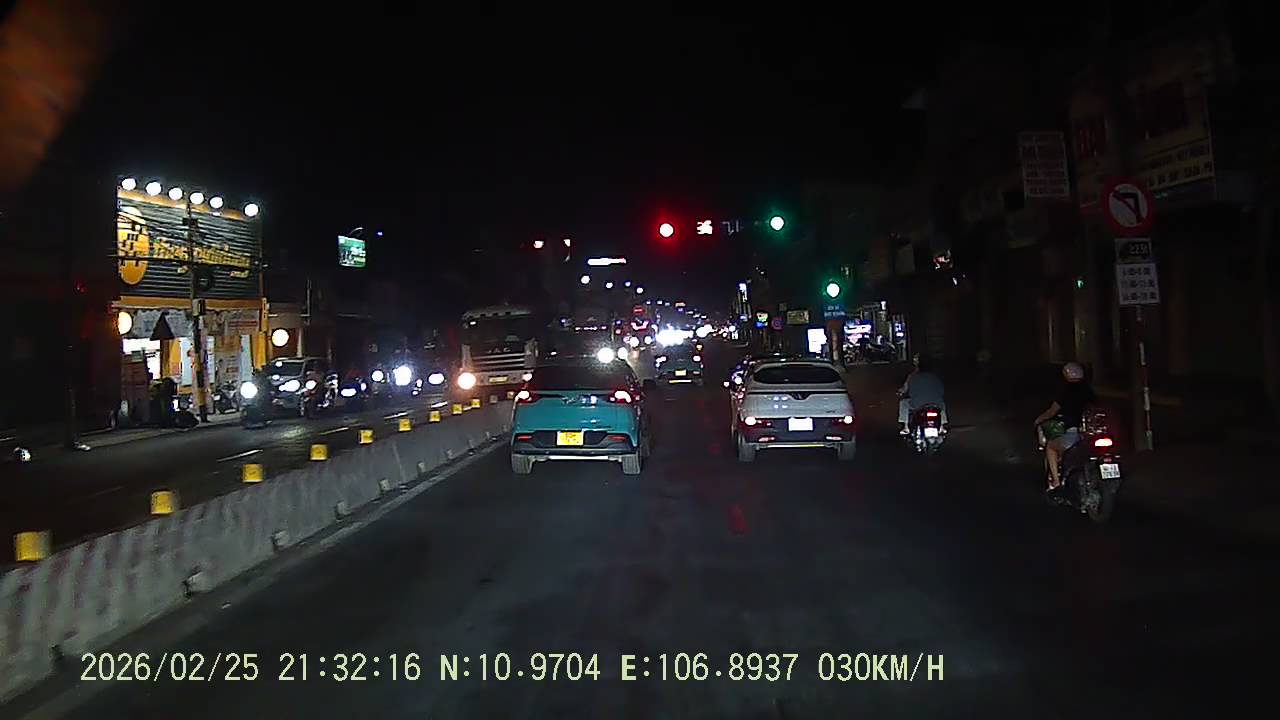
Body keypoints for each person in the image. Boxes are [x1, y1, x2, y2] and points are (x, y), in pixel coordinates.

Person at [1034, 361, 1094, 492]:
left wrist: (1039, 420)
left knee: (1051, 447)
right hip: (1089, 433)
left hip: (1073, 432)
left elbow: (1052, 411)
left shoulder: (1066, 392)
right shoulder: (1088, 391)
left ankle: (1056, 483)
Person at [898, 353, 947, 434]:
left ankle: (906, 427)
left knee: (903, 403)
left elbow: (905, 389)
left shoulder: (913, 376)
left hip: (917, 404)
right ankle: (942, 426)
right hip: (936, 403)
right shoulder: (936, 376)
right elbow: (941, 390)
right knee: (942, 404)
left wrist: (901, 392)